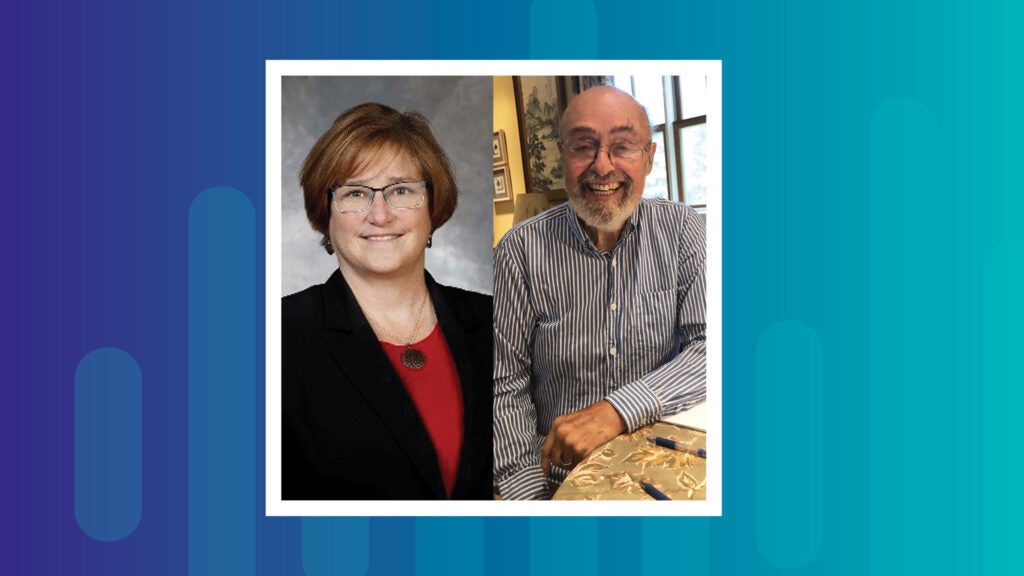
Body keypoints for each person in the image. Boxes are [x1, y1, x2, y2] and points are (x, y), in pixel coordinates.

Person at [493, 86, 706, 500]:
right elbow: (502, 385)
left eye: (623, 146)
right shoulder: (519, 251)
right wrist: (529, 498)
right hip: (556, 477)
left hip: (662, 462)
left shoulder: (684, 231)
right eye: (583, 147)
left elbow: (711, 347)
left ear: (650, 156)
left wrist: (616, 410)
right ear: (562, 155)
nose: (602, 166)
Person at [283, 103, 492, 500]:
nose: (380, 215)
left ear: (432, 206)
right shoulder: (275, 340)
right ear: (325, 211)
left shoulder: (491, 319)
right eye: (356, 193)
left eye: (400, 190)